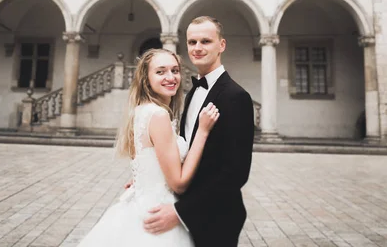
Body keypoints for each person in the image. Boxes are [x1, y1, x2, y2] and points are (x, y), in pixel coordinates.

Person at [77, 48, 219, 247]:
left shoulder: (142, 110)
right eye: (160, 72)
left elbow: (151, 161)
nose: (171, 77)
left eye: (175, 70)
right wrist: (203, 131)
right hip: (157, 211)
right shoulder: (158, 116)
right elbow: (178, 183)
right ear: (146, 78)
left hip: (139, 204)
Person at [143, 16, 255, 247]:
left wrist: (181, 212)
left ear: (221, 45)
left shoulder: (237, 97)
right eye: (192, 42)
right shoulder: (191, 94)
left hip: (216, 218)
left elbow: (236, 174)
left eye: (206, 41)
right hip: (186, 211)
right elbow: (183, 150)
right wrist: (149, 175)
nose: (198, 48)